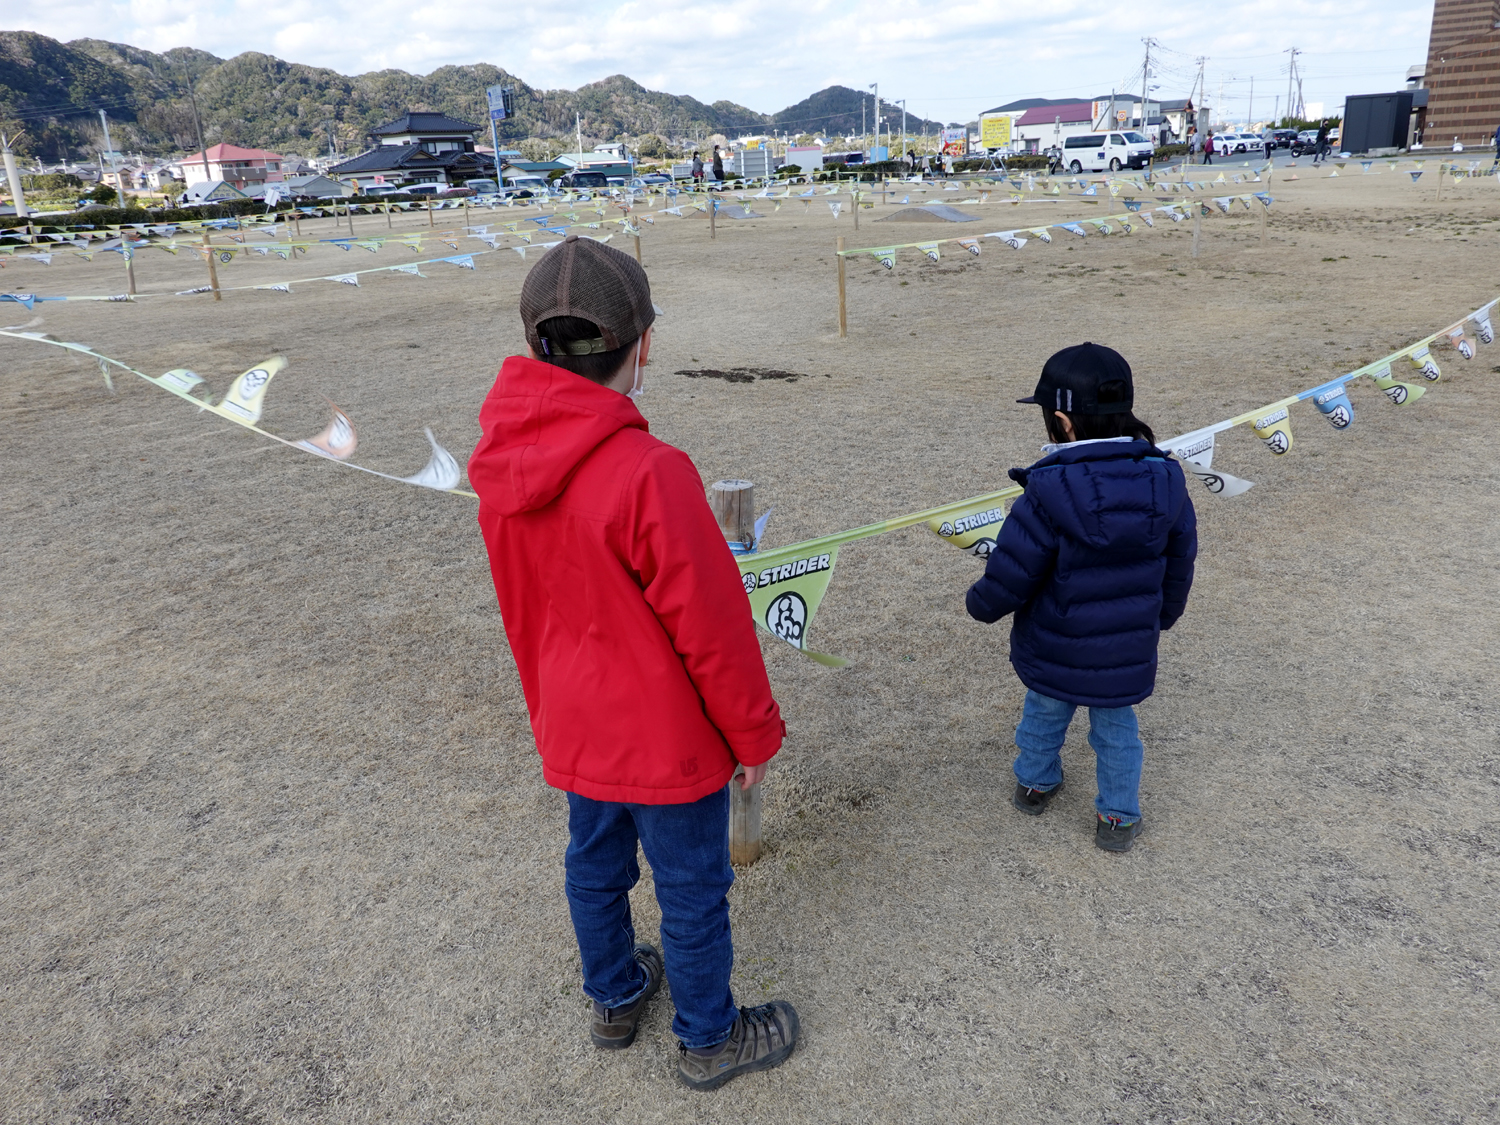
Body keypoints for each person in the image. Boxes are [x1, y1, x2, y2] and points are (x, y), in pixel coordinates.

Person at [467, 235, 799, 1088]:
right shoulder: (650, 472)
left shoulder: (500, 466)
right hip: (666, 737)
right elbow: (714, 627)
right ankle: (708, 1036)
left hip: (576, 723)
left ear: (534, 340)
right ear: (643, 343)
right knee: (691, 884)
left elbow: (524, 609)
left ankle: (615, 996)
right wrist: (753, 734)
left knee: (594, 862)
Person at [965, 343, 1197, 853]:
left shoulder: (1048, 489)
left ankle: (1034, 782)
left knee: (1043, 713)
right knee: (1117, 731)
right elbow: (1180, 561)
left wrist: (980, 604)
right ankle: (1117, 816)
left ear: (1063, 422)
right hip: (1127, 645)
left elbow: (1012, 571)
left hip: (1057, 641)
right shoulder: (1167, 479)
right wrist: (1163, 616)